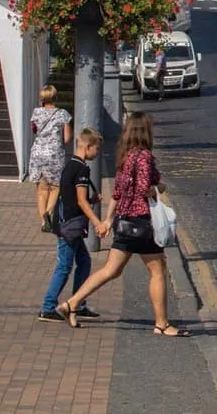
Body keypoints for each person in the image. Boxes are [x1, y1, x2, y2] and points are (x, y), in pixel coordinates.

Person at [64, 112, 189, 336]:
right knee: (157, 270)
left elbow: (117, 193)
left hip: (124, 222)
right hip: (142, 223)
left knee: (111, 270)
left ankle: (71, 303)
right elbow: (144, 189)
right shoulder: (144, 157)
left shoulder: (125, 156)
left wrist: (109, 219)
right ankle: (162, 324)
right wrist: (160, 188)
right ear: (144, 131)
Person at [37, 128, 107, 323]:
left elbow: (73, 199)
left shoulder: (71, 165)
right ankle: (47, 307)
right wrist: (98, 222)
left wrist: (91, 200)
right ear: (88, 146)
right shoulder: (82, 169)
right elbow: (81, 201)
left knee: (84, 261)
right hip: (70, 226)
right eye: (97, 149)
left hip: (67, 223)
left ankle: (78, 303)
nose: (97, 153)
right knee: (64, 267)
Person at [27, 85, 71, 231]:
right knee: (55, 187)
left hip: (37, 153)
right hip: (54, 154)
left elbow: (34, 130)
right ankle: (49, 212)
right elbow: (67, 138)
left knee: (41, 189)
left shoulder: (36, 112)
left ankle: (43, 221)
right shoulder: (63, 114)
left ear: (42, 98)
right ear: (55, 97)